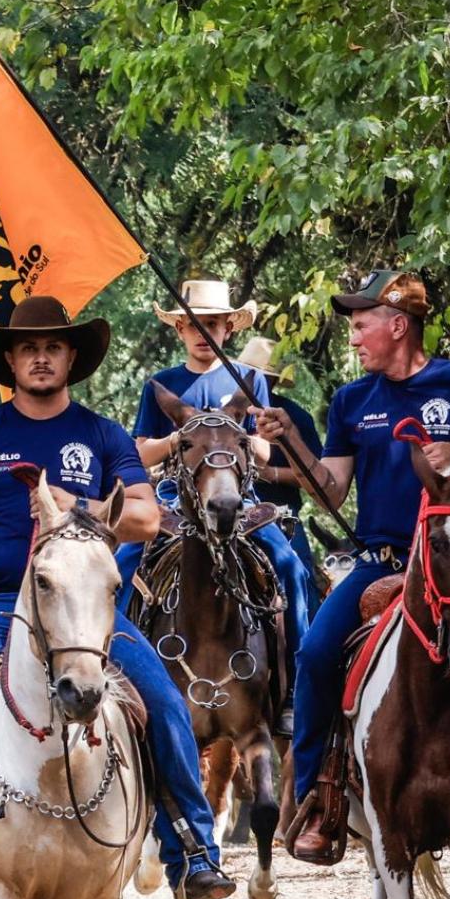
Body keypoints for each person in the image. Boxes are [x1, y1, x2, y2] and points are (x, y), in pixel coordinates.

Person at [0, 295, 236, 899]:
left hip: (87, 612)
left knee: (167, 703)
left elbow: (146, 517)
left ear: (71, 358)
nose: (41, 357)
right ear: (9, 360)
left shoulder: (101, 433)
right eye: (28, 348)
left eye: (53, 347)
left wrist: (76, 505)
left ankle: (192, 851)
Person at [256, 269, 450, 861]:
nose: (354, 339)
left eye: (361, 326)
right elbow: (330, 490)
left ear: (398, 324)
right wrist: (290, 442)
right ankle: (318, 799)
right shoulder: (352, 400)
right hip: (381, 561)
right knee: (314, 655)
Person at [127, 278, 312, 734]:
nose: (201, 333)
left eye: (211, 324)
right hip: (173, 500)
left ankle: (295, 690)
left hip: (240, 499)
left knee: (290, 565)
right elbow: (138, 452)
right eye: (193, 325)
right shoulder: (162, 385)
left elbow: (268, 454)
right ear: (179, 330)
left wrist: (231, 439)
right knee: (123, 562)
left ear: (228, 327)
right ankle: (120, 674)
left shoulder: (247, 383)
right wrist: (180, 440)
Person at [244, 335, 324, 597]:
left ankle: (309, 634)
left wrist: (270, 474)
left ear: (277, 380)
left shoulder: (297, 416)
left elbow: (317, 475)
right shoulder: (226, 409)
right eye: (253, 374)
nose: (260, 382)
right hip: (227, 512)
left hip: (280, 514)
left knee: (301, 573)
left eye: (267, 376)